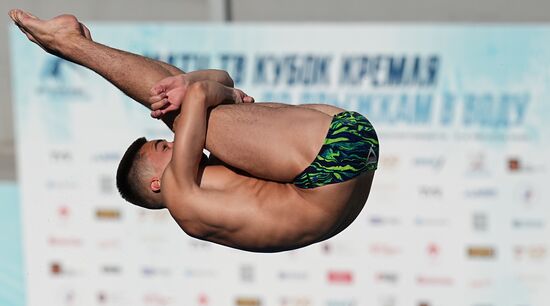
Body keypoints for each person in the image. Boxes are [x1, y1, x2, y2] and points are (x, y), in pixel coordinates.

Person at [9, 9, 379, 252]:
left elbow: (220, 81)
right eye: (161, 147)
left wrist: (195, 85)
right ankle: (71, 45)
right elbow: (206, 91)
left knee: (180, 99)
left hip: (343, 163)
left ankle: (78, 44)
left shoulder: (217, 179)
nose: (173, 142)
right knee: (178, 107)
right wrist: (204, 91)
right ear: (156, 182)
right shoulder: (181, 196)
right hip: (331, 160)